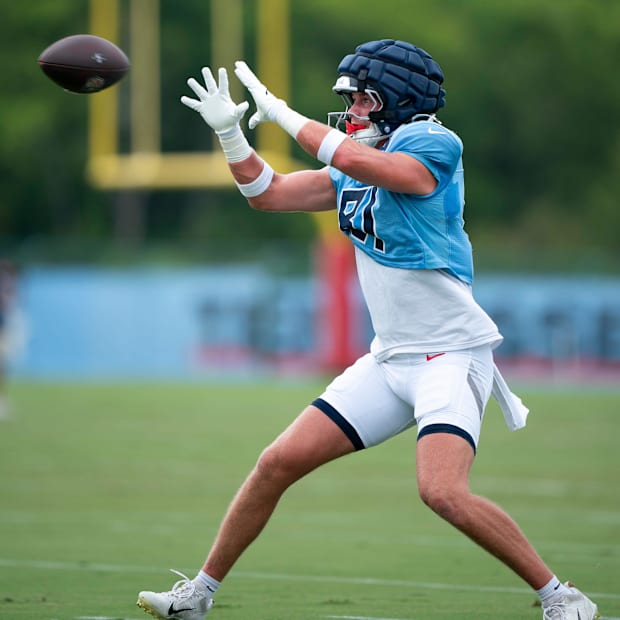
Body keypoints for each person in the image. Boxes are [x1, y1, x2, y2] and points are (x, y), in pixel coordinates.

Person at [136, 39, 599, 620]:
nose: (351, 112)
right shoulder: (357, 160)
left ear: (396, 101)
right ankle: (198, 595)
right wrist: (233, 135)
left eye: (360, 99)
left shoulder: (431, 142)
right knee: (276, 462)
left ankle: (562, 597)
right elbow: (269, 194)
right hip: (390, 359)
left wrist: (281, 114)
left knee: (442, 493)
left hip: (449, 357)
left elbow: (362, 164)